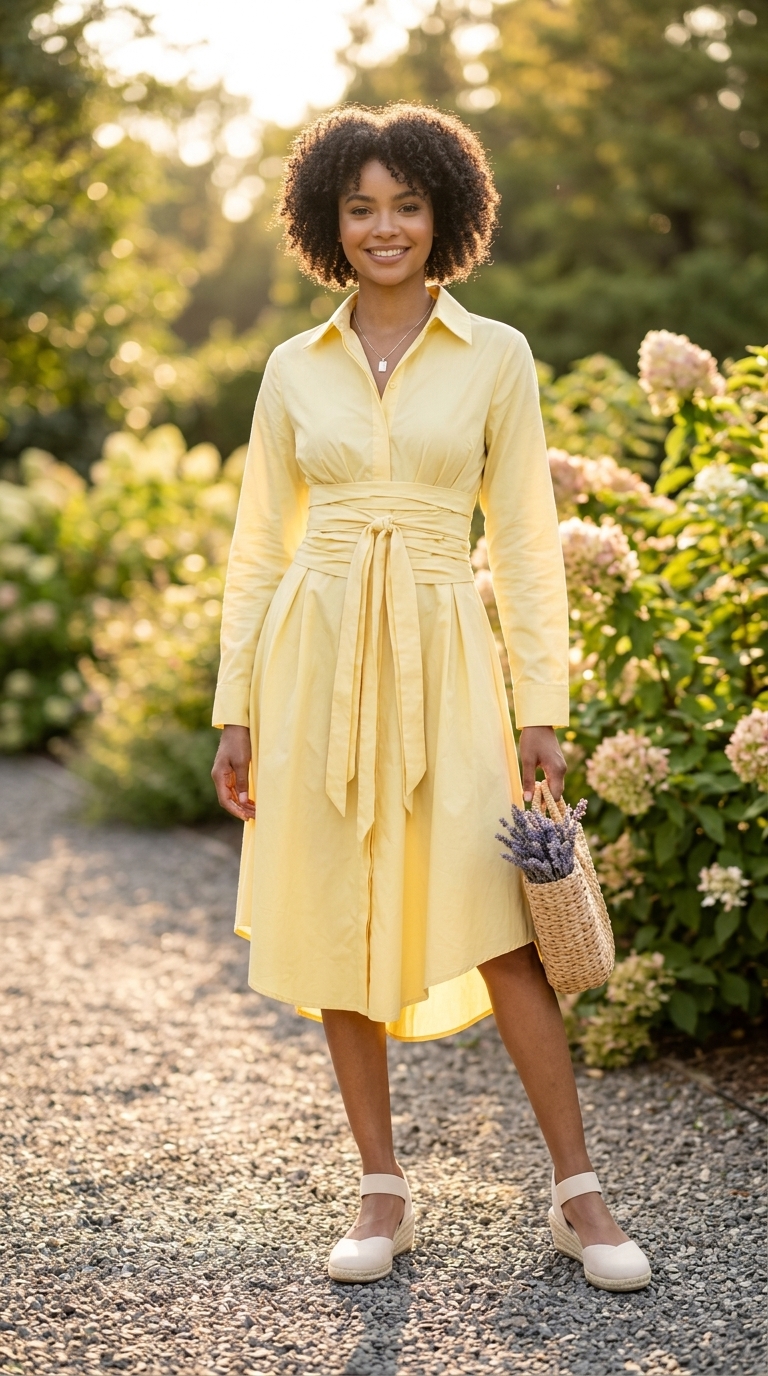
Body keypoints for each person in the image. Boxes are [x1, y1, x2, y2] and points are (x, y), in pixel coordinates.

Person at [211, 104, 650, 1293]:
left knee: (504, 923)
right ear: (327, 221)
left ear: (445, 211)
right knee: (335, 916)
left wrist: (539, 709)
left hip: (451, 658)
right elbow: (259, 544)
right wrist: (234, 704)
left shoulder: (496, 353)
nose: (384, 225)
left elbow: (524, 537)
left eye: (406, 203)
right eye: (361, 206)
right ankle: (380, 1188)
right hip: (315, 657)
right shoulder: (291, 367)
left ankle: (577, 1192)